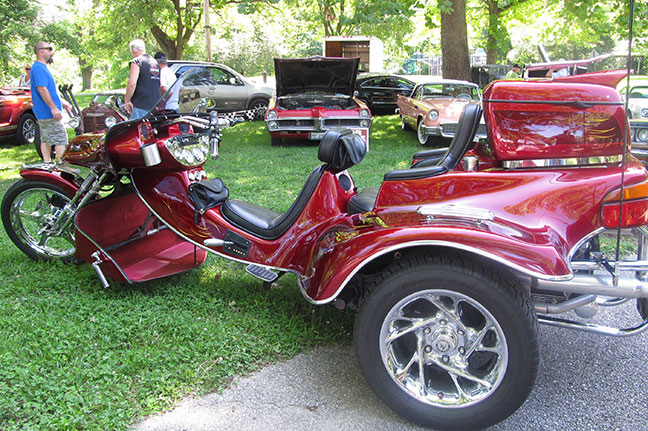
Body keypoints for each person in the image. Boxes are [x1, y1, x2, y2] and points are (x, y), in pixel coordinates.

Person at [30, 41, 71, 164]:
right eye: (49, 49)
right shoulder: (38, 68)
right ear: (40, 51)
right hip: (48, 112)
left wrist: (61, 102)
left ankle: (47, 163)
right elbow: (42, 89)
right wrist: (53, 108)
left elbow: (50, 89)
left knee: (45, 138)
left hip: (45, 112)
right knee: (60, 138)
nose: (51, 52)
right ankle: (63, 165)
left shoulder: (41, 68)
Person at [124, 39, 160, 120]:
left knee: (135, 131)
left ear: (133, 51)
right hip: (155, 105)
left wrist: (127, 100)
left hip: (141, 105)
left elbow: (132, 84)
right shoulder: (155, 63)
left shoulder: (137, 62)